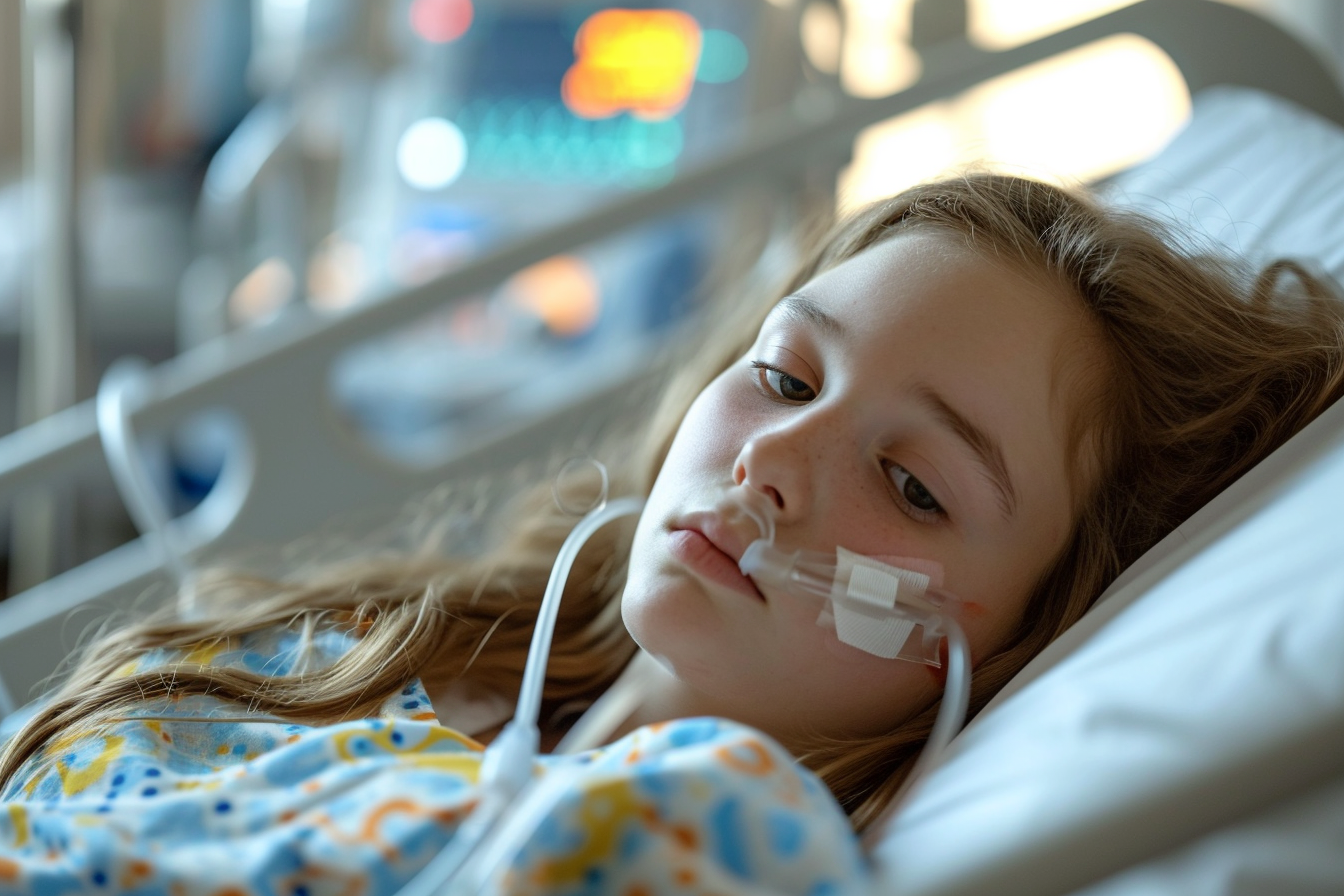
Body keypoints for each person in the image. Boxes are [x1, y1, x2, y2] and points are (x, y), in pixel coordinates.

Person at [2, 174, 1343, 894]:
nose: (771, 462)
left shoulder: (708, 836)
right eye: (786, 375)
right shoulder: (404, 645)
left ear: (1018, 633)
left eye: (914, 484)